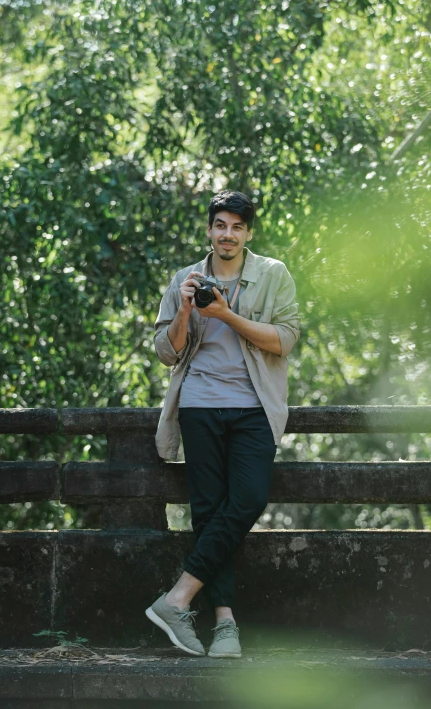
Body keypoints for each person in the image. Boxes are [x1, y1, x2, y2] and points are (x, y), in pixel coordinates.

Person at [145, 190, 300, 658]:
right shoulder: (184, 279)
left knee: (248, 499)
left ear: (248, 233)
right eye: (220, 225)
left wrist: (226, 315)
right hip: (198, 405)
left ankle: (176, 599)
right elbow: (166, 351)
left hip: (254, 407)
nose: (227, 234)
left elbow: (285, 341)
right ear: (209, 230)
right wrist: (189, 308)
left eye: (236, 226)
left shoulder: (272, 275)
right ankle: (224, 624)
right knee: (210, 513)